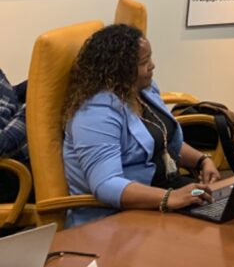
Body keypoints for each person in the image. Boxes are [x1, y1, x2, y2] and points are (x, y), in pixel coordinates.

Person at [62, 24, 220, 227]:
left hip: (164, 193)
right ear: (120, 70)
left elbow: (163, 141)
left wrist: (201, 161)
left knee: (228, 211)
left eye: (150, 58)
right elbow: (106, 184)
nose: (152, 66)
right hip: (120, 216)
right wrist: (169, 198)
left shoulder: (142, 91)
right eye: (144, 62)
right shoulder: (96, 113)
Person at [1, 68, 30, 204]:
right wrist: (33, 110)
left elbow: (9, 98)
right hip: (12, 173)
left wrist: (39, 83)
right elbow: (2, 144)